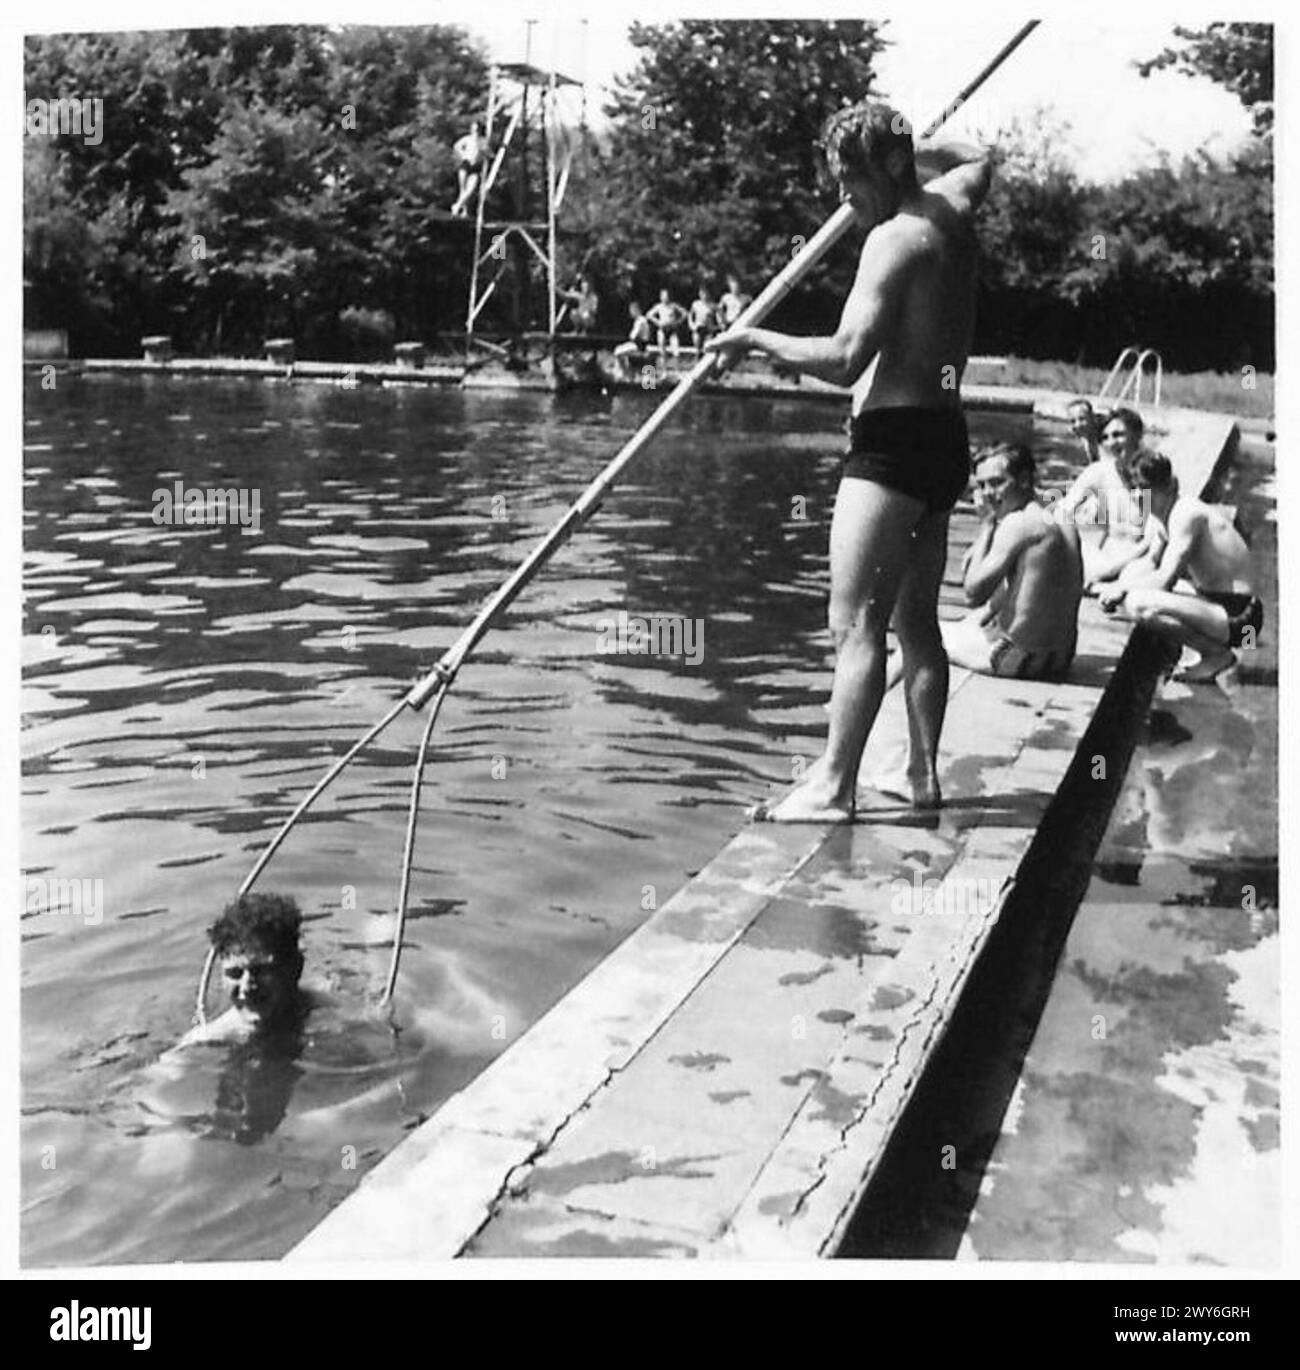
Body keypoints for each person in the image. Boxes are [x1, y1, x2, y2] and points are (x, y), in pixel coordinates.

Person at [705, 100, 993, 819]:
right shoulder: (953, 208)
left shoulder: (893, 240)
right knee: (917, 624)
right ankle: (922, 779)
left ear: (890, 168)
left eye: (849, 178)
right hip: (944, 444)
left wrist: (754, 339)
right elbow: (979, 157)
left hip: (891, 449)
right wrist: (911, 142)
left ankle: (833, 787)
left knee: (855, 626)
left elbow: (843, 359)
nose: (842, 198)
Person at [919, 442, 1082, 683]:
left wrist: (986, 526)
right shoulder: (1058, 512)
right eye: (981, 485)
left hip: (1019, 659)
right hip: (1060, 656)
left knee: (919, 635)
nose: (987, 494)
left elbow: (972, 595)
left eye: (997, 483)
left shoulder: (1018, 522)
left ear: (1025, 479)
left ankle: (870, 711)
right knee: (970, 621)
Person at [1098, 452, 1261, 685]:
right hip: (1219, 604)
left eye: (1145, 488)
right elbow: (1150, 560)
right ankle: (1211, 649)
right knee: (1135, 575)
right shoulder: (1162, 514)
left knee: (1139, 604)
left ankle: (1216, 655)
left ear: (1168, 485)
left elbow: (1166, 579)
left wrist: (1121, 589)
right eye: (1133, 487)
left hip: (1243, 618)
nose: (1137, 495)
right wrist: (1108, 581)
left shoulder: (1186, 513)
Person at [182, 893, 310, 1045]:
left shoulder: (327, 1010)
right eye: (234, 974)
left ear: (295, 968)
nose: (246, 988)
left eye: (261, 971)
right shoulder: (205, 1041)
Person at [1055, 406, 1151, 585]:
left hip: (1139, 558)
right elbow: (1063, 511)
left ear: (1137, 435)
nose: (1111, 443)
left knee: (1136, 575)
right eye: (1106, 438)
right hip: (1105, 556)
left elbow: (1159, 533)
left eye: (1119, 435)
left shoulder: (1152, 472)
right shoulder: (1099, 472)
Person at [451, 121, 486, 217]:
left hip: (475, 167)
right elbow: (456, 146)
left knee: (470, 189)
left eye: (477, 129)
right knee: (463, 189)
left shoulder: (483, 141)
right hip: (465, 164)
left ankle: (457, 206)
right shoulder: (467, 139)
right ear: (471, 130)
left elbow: (488, 153)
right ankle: (464, 211)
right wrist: (463, 155)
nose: (476, 131)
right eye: (474, 129)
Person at [613, 301, 653, 376]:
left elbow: (632, 336)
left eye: (631, 310)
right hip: (640, 344)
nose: (630, 313)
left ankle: (624, 374)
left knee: (617, 351)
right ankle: (626, 372)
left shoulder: (640, 321)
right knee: (619, 349)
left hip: (639, 346)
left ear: (636, 310)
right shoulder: (642, 320)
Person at [645, 288, 687, 356]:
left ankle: (676, 363)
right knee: (662, 348)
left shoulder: (673, 305)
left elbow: (685, 313)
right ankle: (663, 363)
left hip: (672, 329)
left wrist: (678, 322)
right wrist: (658, 322)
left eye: (667, 296)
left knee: (676, 350)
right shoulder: (659, 306)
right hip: (662, 329)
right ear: (661, 297)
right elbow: (648, 315)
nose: (665, 298)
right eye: (664, 296)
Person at [1066, 398, 1103, 464]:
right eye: (1072, 421)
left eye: (1082, 419)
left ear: (1092, 417)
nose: (1077, 425)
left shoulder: (1107, 438)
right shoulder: (1082, 439)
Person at [688, 286, 719, 351]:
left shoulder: (713, 305)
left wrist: (717, 327)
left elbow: (720, 318)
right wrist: (692, 325)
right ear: (699, 294)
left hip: (709, 329)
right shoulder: (695, 304)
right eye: (702, 294)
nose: (704, 296)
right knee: (697, 344)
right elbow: (690, 316)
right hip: (698, 328)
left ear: (708, 294)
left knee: (708, 347)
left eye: (705, 294)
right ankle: (698, 355)